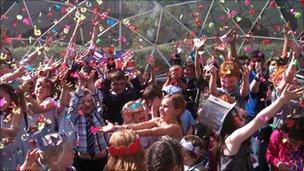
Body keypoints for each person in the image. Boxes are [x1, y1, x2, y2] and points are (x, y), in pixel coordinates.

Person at [198, 82, 303, 170]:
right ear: (234, 117)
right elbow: (259, 120)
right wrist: (282, 100)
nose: (241, 110)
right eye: (236, 108)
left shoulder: (223, 137)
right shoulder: (232, 139)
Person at [68, 69, 108, 171]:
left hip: (102, 160)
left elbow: (98, 99)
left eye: (90, 101)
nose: (87, 104)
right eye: (83, 101)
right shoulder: (75, 117)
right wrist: (81, 86)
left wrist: (90, 83)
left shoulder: (97, 113)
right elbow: (74, 104)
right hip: (82, 162)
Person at [112, 93, 185, 141]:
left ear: (177, 111)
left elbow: (151, 132)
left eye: (165, 106)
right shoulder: (158, 120)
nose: (161, 109)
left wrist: (124, 133)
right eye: (161, 105)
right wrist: (115, 128)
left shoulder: (175, 127)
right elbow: (137, 126)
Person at [0, 83, 27, 170]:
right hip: (5, 151)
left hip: (18, 150)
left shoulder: (17, 110)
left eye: (1, 98)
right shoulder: (1, 114)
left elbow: (13, 131)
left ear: (11, 97)